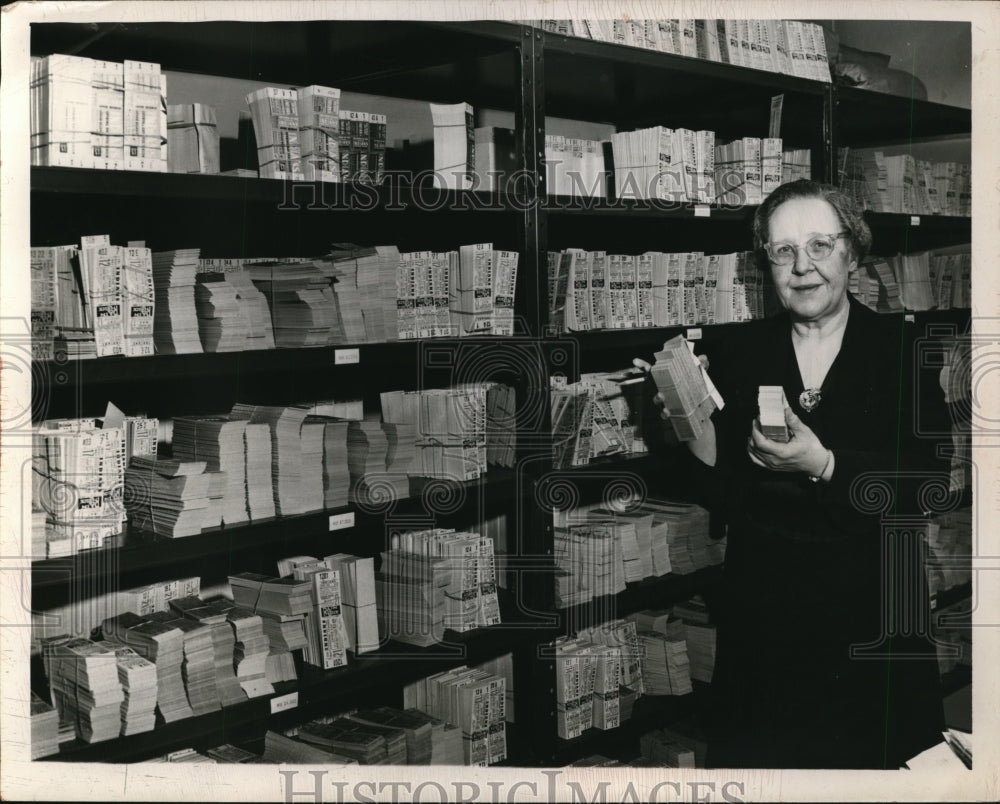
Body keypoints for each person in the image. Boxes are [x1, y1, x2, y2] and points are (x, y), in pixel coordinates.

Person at [637, 179, 948, 769]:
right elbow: (724, 492)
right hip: (766, 614)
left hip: (872, 612)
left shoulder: (905, 350)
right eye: (783, 251)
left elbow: (927, 487)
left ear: (852, 252)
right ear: (767, 266)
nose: (803, 268)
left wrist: (824, 465)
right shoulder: (738, 352)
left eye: (820, 246)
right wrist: (692, 423)